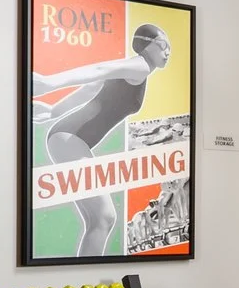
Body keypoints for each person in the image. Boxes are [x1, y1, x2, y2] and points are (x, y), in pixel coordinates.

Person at [33, 22, 170, 258]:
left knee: (98, 219)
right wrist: (49, 83)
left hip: (67, 137)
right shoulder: (139, 66)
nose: (168, 52)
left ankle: (83, 285)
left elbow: (91, 88)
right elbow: (99, 70)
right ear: (147, 46)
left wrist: (55, 111)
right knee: (105, 217)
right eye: (163, 45)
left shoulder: (134, 70)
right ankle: (85, 284)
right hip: (71, 138)